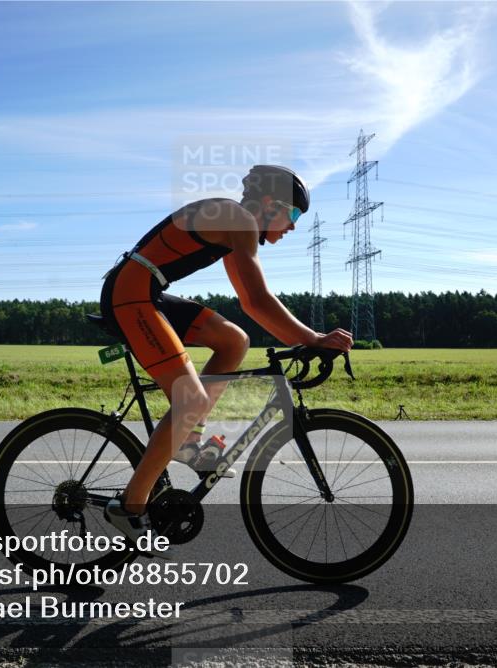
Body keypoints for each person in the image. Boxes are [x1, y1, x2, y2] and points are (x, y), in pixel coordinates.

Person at [100, 165, 353, 543]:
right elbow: (257, 300)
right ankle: (131, 506)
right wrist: (312, 337)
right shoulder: (238, 220)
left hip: (145, 289)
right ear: (270, 203)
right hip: (130, 294)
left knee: (234, 340)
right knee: (191, 400)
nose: (294, 226)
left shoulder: (236, 224)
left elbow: (251, 306)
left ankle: (188, 443)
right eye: (295, 214)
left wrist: (304, 338)